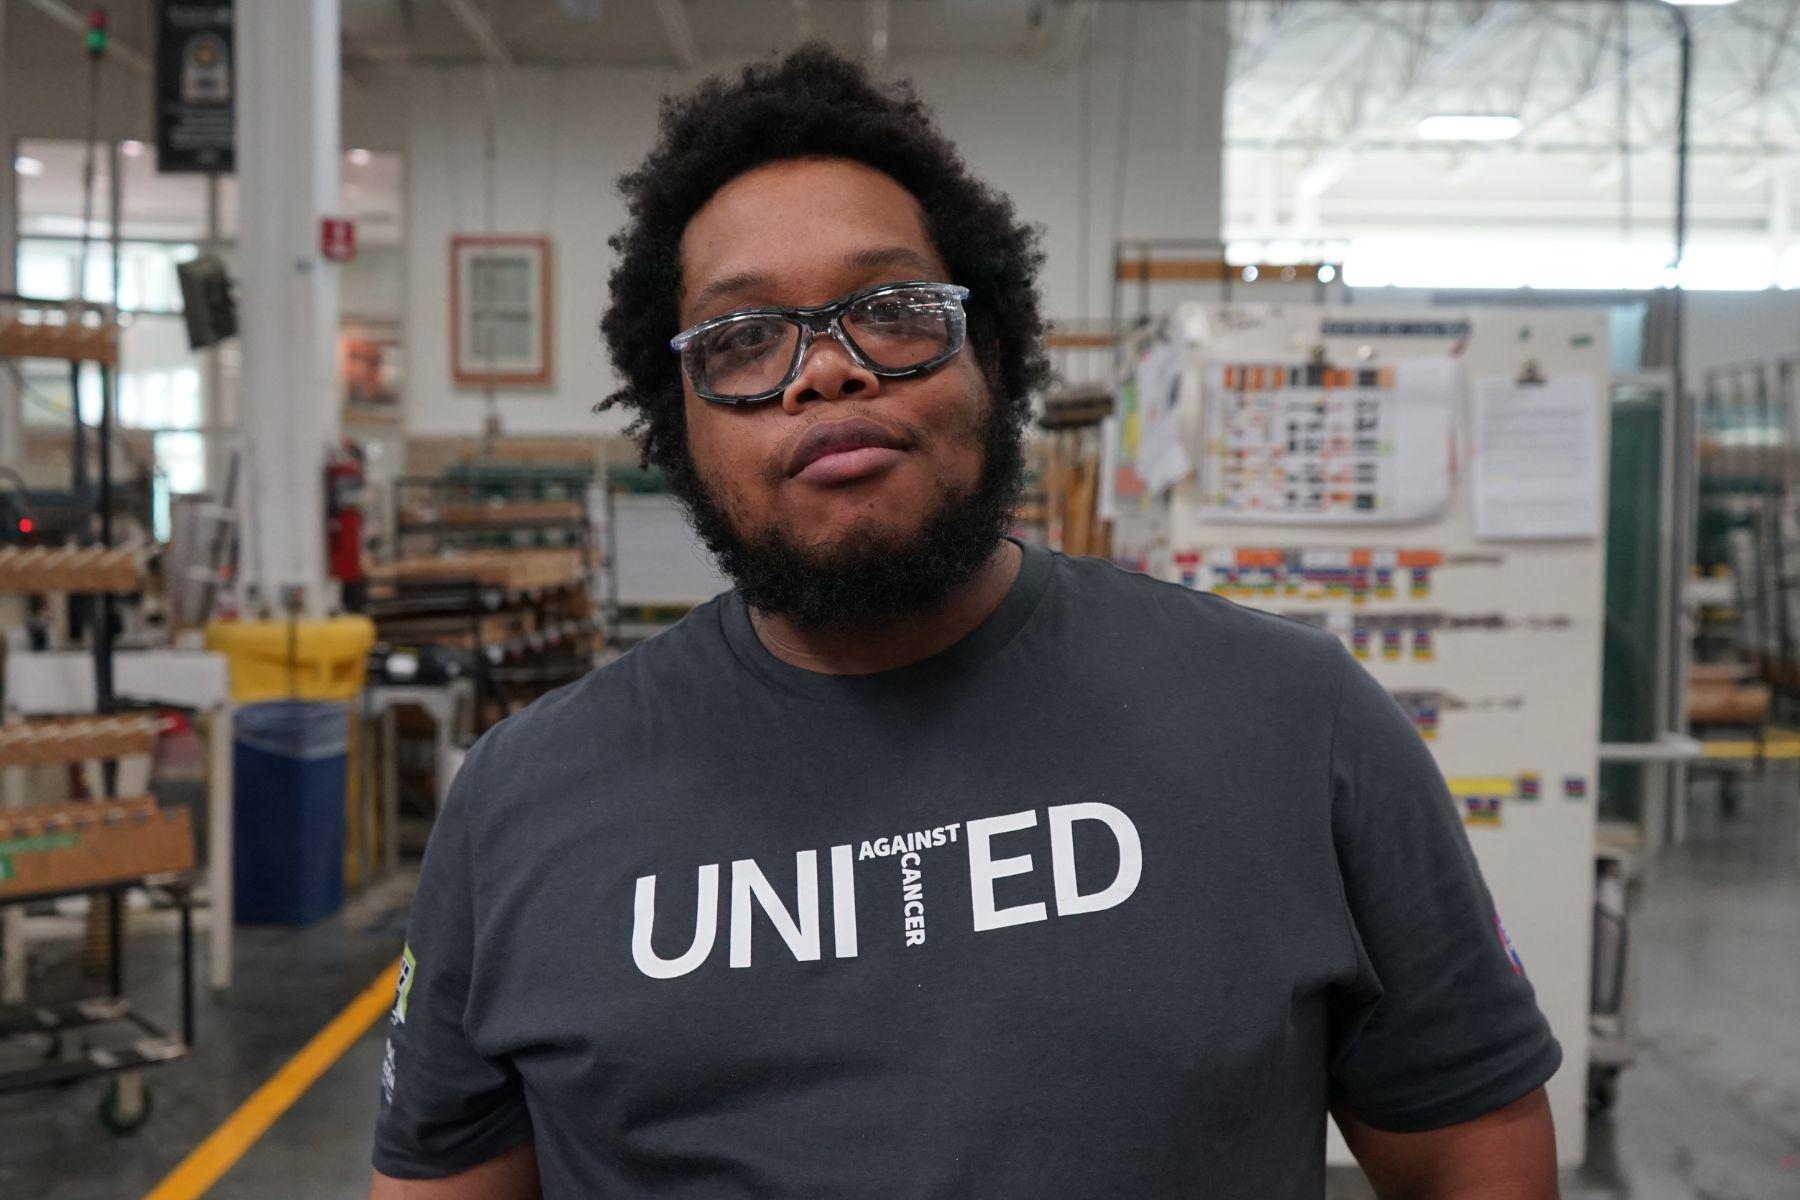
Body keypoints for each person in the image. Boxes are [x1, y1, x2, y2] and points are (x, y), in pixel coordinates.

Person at [370, 45, 1562, 1200]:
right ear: (676, 419)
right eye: (742, 340)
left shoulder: (1297, 722)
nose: (824, 373)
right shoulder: (522, 802)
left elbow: (1474, 1156)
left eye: (890, 310)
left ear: (989, 354)